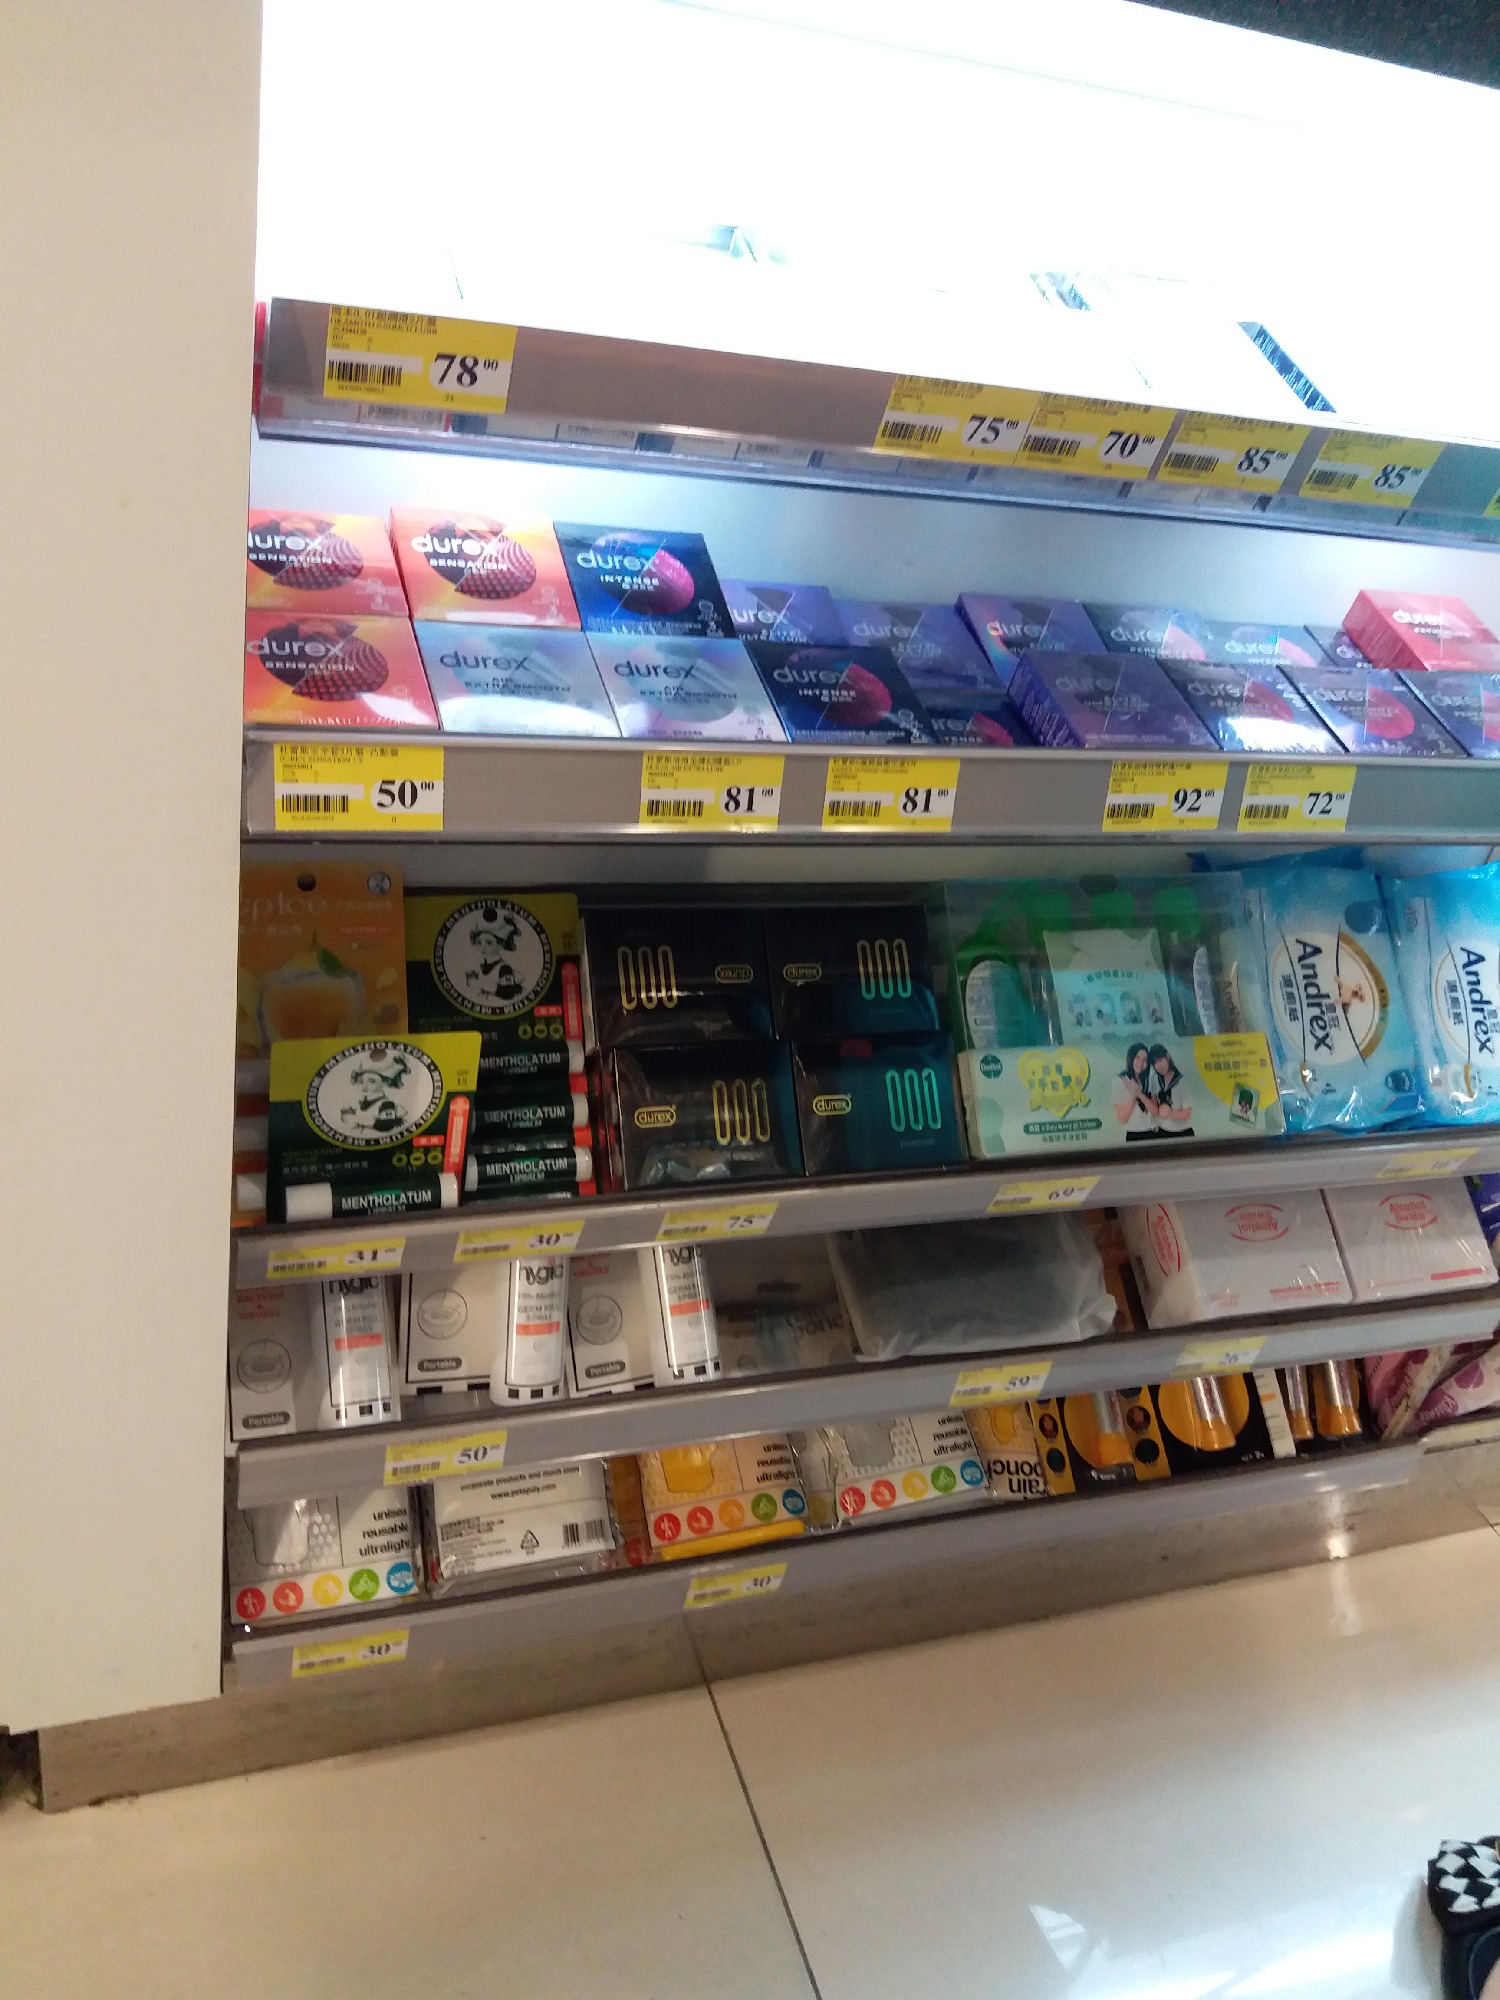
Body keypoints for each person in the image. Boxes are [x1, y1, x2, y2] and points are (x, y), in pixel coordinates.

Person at [1147, 1043, 1195, 1137]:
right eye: (1155, 1063)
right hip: (1163, 1131)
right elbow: (1155, 1106)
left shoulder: (1182, 1082)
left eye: (1160, 1060)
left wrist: (1170, 1113)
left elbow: (1186, 1114)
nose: (1159, 1065)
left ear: (1167, 1057)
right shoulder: (1154, 1079)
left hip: (1182, 1132)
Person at [1112, 1042, 1158, 1139]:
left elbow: (1155, 1111)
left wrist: (1139, 1094)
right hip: (1133, 1134)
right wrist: (1133, 1095)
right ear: (1131, 1058)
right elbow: (1122, 1119)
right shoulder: (1119, 1081)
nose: (1141, 1063)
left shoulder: (1150, 1078)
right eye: (1137, 1058)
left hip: (1152, 1132)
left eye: (1145, 1060)